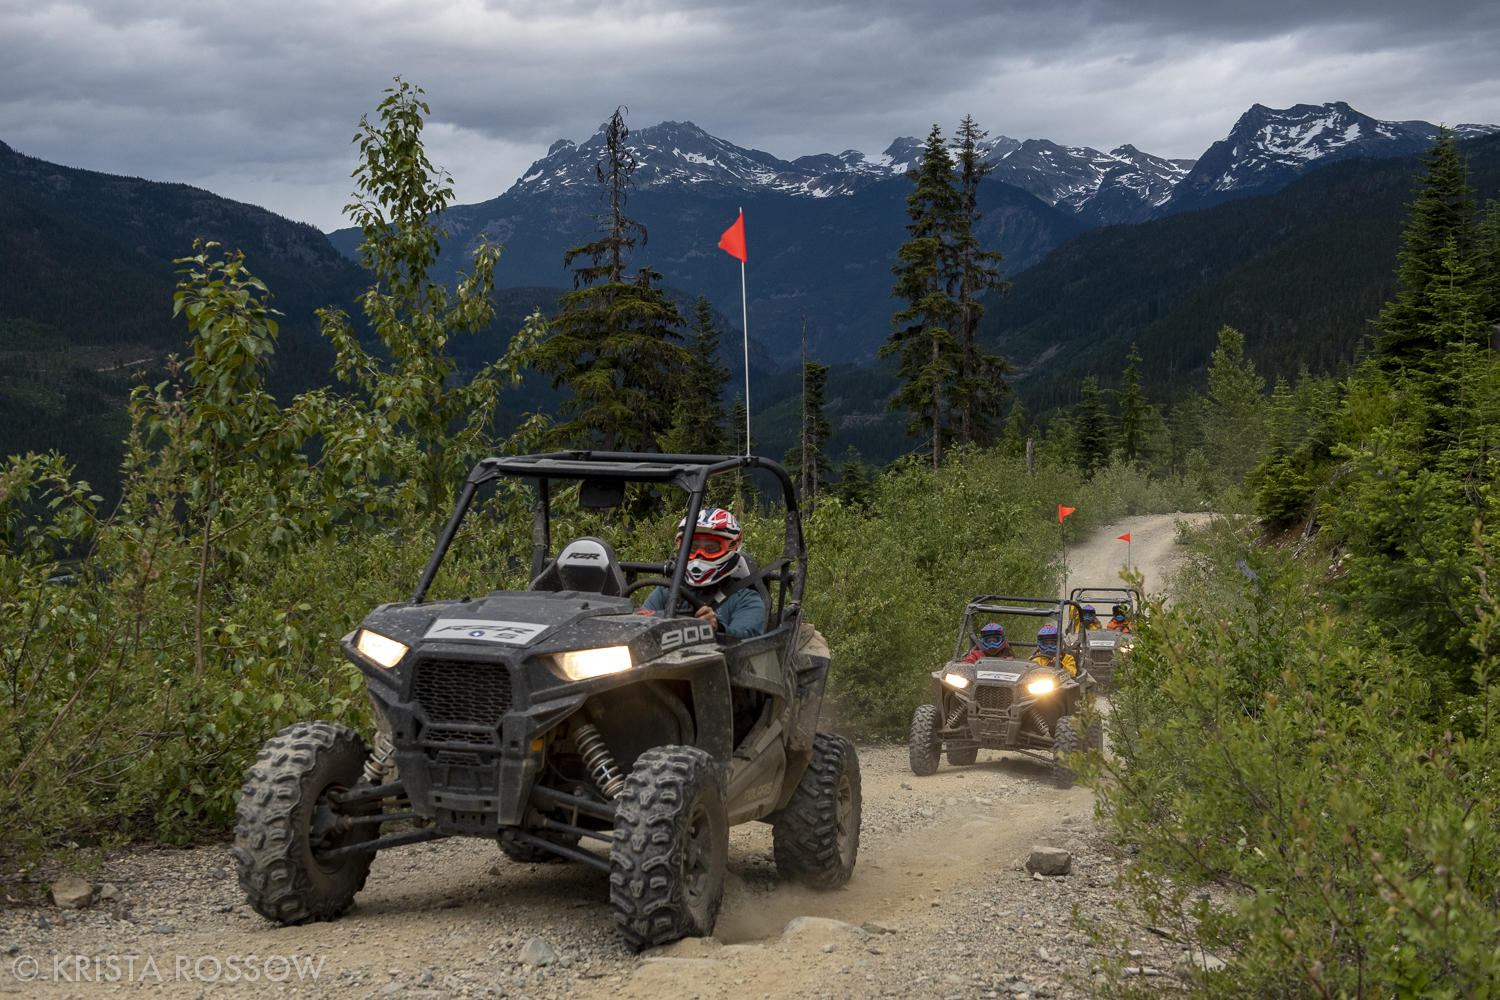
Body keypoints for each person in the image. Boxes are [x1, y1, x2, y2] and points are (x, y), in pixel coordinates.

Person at [639, 507, 766, 639]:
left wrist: (717, 628)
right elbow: (640, 624)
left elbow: (748, 639)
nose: (700, 557)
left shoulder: (746, 599)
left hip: (722, 658)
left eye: (710, 549)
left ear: (731, 548)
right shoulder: (666, 592)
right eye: (693, 549)